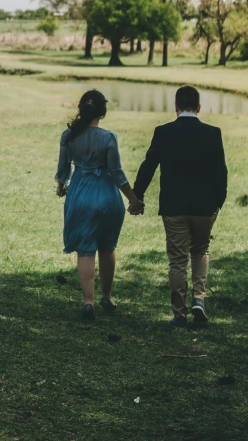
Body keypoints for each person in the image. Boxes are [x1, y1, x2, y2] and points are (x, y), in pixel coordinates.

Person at [132, 85, 228, 327]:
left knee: (177, 260)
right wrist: (218, 202)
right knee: (200, 250)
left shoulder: (163, 132)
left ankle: (179, 313)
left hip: (173, 206)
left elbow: (148, 165)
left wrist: (137, 195)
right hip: (205, 207)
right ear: (198, 107)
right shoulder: (212, 133)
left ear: (175, 107)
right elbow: (221, 173)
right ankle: (199, 298)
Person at [56, 89, 144, 320]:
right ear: (103, 112)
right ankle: (106, 295)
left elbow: (63, 169)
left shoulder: (69, 135)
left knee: (85, 249)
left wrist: (60, 187)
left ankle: (88, 301)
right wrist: (133, 198)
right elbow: (117, 172)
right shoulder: (108, 137)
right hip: (106, 196)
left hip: (80, 195)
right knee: (107, 246)